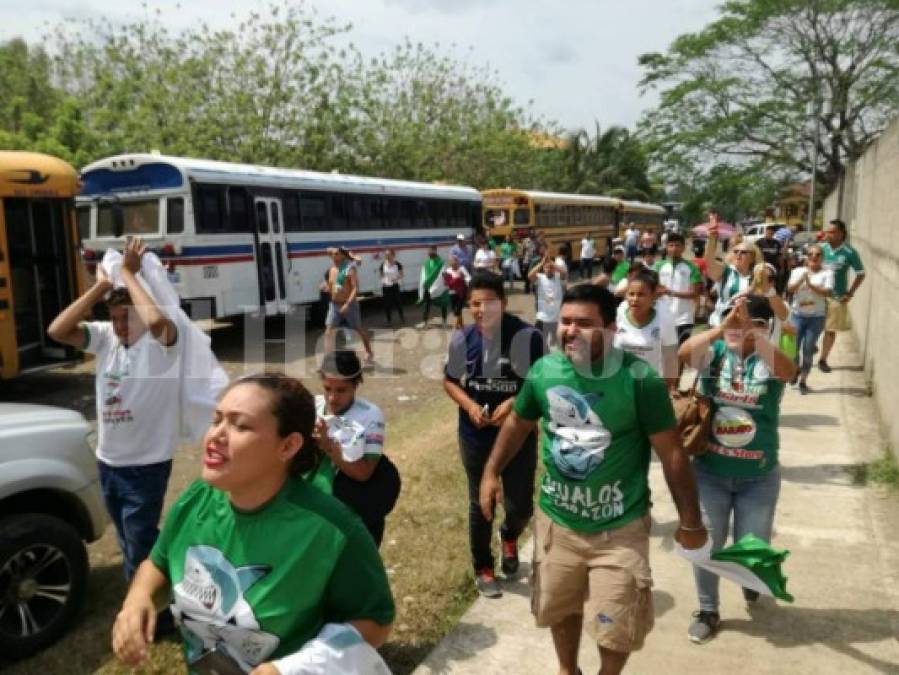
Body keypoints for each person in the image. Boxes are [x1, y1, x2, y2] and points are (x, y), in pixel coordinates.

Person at [479, 283, 706, 675]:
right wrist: (490, 472)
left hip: (619, 530)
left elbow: (672, 452)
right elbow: (518, 422)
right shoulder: (544, 371)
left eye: (584, 323)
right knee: (560, 608)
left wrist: (691, 521)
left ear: (611, 328)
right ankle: (568, 669)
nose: (570, 331)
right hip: (558, 524)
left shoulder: (640, 380)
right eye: (565, 322)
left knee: (615, 623)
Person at [111, 374, 395, 672]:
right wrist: (138, 599)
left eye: (240, 425)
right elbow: (159, 562)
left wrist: (289, 668)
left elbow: (376, 622)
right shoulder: (197, 498)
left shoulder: (332, 528)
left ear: (287, 446)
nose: (216, 436)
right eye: (216, 420)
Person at [48, 237, 180, 583]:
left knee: (140, 543)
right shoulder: (106, 337)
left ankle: (154, 613)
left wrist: (129, 275)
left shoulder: (162, 343)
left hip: (145, 465)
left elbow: (154, 323)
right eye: (116, 318)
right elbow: (57, 330)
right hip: (110, 463)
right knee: (126, 538)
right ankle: (144, 601)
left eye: (127, 318)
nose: (121, 326)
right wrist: (104, 285)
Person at [678, 296, 796, 644]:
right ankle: (708, 609)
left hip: (758, 477)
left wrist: (755, 336)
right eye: (733, 320)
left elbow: (790, 372)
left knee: (753, 545)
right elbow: (684, 355)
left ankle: (750, 580)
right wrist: (721, 328)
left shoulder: (769, 360)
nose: (738, 328)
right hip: (710, 471)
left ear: (763, 328)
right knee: (707, 544)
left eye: (751, 323)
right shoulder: (715, 356)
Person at [443, 272, 545, 598]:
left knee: (521, 507)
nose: (480, 310)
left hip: (517, 433)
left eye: (488, 302)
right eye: (474, 304)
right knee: (480, 502)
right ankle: (483, 568)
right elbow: (449, 381)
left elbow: (538, 381)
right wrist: (471, 406)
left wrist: (514, 402)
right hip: (475, 436)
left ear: (502, 303)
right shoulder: (463, 338)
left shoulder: (527, 336)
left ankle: (510, 535)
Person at [306, 351, 401, 546]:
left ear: (356, 385)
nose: (332, 398)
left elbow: (364, 473)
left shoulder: (370, 416)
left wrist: (329, 448)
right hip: (316, 512)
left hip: (355, 509)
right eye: (327, 388)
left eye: (341, 390)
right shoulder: (312, 407)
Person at [613, 269, 679, 389]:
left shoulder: (664, 318)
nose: (635, 299)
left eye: (641, 294)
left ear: (653, 296)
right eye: (631, 294)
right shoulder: (620, 312)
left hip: (649, 385)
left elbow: (670, 356)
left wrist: (667, 386)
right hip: (619, 383)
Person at [819, 218, 865, 373]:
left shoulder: (849, 252)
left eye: (832, 232)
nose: (828, 234)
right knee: (811, 325)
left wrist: (850, 293)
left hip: (836, 297)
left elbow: (861, 274)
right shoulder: (820, 249)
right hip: (817, 295)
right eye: (827, 231)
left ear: (841, 234)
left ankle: (823, 359)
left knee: (830, 329)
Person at [787, 245, 833, 394]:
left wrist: (811, 284)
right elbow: (790, 289)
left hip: (816, 317)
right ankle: (795, 369)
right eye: (811, 254)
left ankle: (803, 381)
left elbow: (827, 292)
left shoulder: (827, 273)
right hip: (797, 315)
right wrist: (802, 279)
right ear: (806, 256)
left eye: (818, 254)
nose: (814, 257)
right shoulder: (798, 271)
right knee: (792, 349)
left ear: (822, 257)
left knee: (807, 350)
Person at [704, 216, 761, 327]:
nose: (738, 255)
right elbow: (709, 260)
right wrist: (712, 237)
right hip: (721, 324)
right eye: (735, 251)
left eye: (743, 252)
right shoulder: (726, 272)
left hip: (747, 327)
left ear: (753, 257)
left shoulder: (758, 275)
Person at [324, 247, 374, 364]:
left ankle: (369, 351)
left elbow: (355, 288)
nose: (333, 256)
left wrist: (347, 304)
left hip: (349, 305)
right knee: (328, 332)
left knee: (358, 329)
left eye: (336, 254)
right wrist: (327, 289)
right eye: (332, 254)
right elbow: (332, 287)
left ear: (342, 256)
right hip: (334, 305)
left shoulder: (349, 269)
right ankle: (328, 359)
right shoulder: (331, 270)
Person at [655, 232, 703, 346]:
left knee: (681, 351)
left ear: (683, 247)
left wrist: (670, 292)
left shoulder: (692, 268)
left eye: (677, 245)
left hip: (684, 317)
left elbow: (694, 293)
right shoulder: (658, 266)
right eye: (671, 245)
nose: (674, 248)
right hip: (662, 316)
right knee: (664, 352)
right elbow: (652, 288)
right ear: (666, 247)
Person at [529, 254, 566, 349]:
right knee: (539, 341)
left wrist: (552, 263)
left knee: (557, 343)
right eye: (546, 268)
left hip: (556, 318)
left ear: (554, 268)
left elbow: (564, 273)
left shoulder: (558, 277)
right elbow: (530, 276)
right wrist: (541, 263)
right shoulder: (540, 278)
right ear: (543, 269)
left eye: (551, 268)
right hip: (542, 317)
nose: (548, 269)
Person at [419, 245, 449, 328]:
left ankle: (444, 322)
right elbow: (423, 274)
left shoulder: (441, 262)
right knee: (426, 305)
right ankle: (425, 322)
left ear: (435, 251)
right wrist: (424, 283)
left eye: (431, 250)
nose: (429, 252)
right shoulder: (426, 262)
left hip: (439, 287)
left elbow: (443, 274)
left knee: (443, 304)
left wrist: (437, 285)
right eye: (428, 250)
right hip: (428, 287)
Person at [444, 254, 472, 329]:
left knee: (458, 309)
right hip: (452, 293)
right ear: (450, 263)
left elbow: (469, 279)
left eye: (455, 262)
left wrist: (463, 278)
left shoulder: (462, 269)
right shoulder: (448, 271)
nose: (454, 264)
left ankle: (455, 327)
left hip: (461, 293)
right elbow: (447, 283)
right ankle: (461, 325)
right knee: (455, 310)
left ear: (457, 262)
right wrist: (456, 278)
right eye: (452, 263)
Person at [755, 224, 785, 293]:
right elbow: (756, 255)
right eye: (768, 233)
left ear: (773, 234)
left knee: (773, 286)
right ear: (765, 232)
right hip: (762, 267)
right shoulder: (759, 243)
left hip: (774, 268)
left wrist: (782, 268)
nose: (769, 234)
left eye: (771, 233)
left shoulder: (777, 243)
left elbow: (780, 256)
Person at [379, 248, 405, 326]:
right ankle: (388, 320)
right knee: (387, 304)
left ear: (393, 255)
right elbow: (381, 275)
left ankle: (402, 317)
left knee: (398, 303)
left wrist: (395, 279)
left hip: (395, 286)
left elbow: (402, 274)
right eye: (386, 255)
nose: (387, 256)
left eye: (388, 254)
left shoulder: (397, 264)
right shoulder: (383, 264)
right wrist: (384, 281)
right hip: (386, 286)